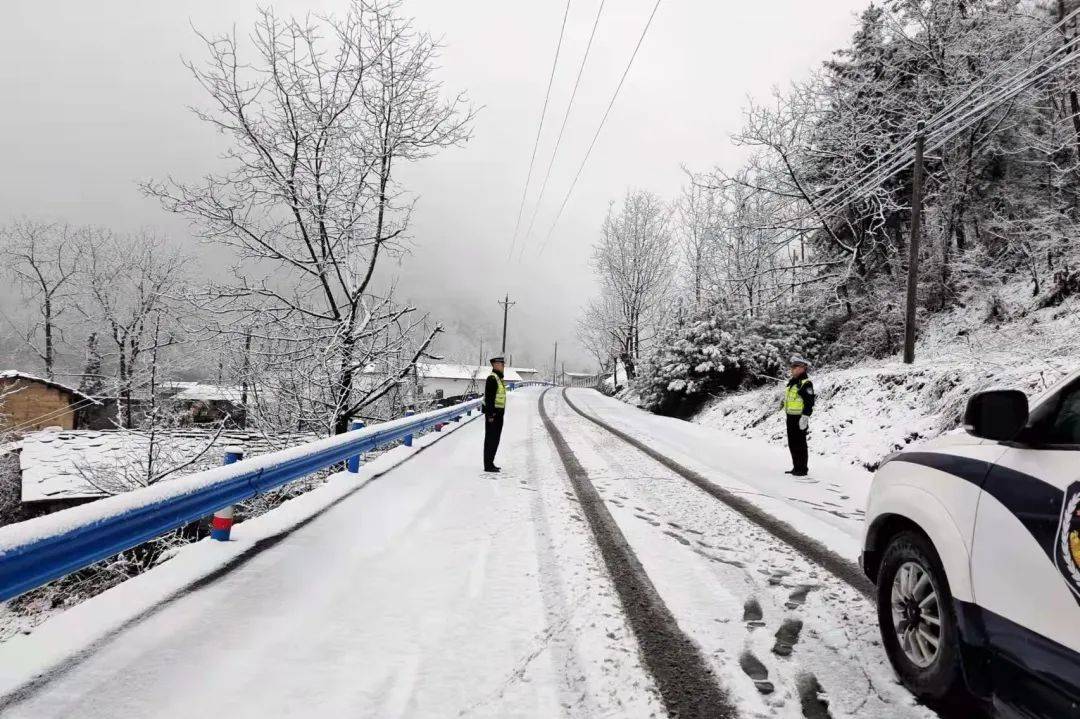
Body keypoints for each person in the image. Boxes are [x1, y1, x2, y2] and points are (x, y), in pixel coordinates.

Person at [782, 356, 815, 477]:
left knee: (800, 443)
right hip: (790, 417)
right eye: (792, 367)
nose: (792, 369)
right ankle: (796, 467)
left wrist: (805, 417)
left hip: (799, 418)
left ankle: (802, 469)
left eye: (795, 367)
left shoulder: (805, 383)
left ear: (802, 368)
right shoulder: (793, 382)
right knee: (792, 443)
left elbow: (809, 402)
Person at [483, 355, 507, 472]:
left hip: (498, 414)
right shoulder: (492, 378)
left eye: (503, 364)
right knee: (491, 439)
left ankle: (490, 463)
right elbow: (489, 399)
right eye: (502, 364)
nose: (503, 366)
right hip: (493, 415)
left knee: (495, 439)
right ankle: (488, 465)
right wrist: (490, 415)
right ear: (496, 365)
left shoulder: (499, 378)